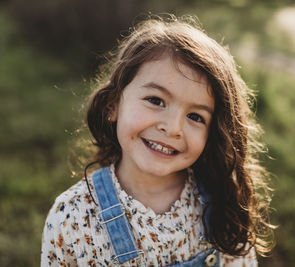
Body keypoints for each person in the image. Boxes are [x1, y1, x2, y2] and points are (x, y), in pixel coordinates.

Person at [41, 15, 274, 267]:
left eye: (195, 116)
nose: (173, 128)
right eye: (155, 100)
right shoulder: (72, 217)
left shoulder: (220, 202)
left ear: (213, 133)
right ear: (113, 104)